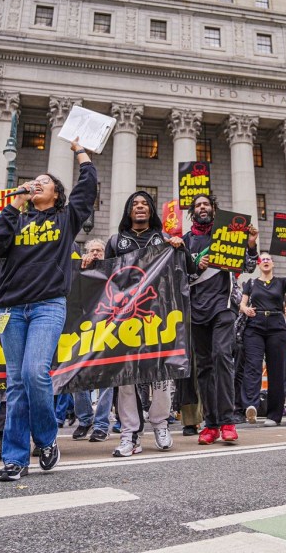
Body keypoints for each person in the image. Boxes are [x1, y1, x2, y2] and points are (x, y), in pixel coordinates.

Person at [0, 140, 96, 482]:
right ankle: (15, 458)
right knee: (15, 384)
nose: (36, 184)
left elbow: (88, 184)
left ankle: (47, 439)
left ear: (57, 194)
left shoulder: (66, 216)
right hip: (12, 308)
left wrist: (80, 151)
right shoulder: (17, 217)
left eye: (44, 182)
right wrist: (14, 204)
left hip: (48, 305)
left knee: (35, 373)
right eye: (32, 181)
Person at [104, 191, 185, 456]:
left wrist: (180, 248)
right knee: (126, 377)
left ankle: (160, 423)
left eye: (144, 204)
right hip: (124, 318)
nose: (140, 207)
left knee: (161, 373)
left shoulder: (163, 240)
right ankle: (130, 433)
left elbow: (188, 271)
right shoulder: (116, 241)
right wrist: (90, 261)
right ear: (128, 211)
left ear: (151, 211)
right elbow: (102, 277)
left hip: (158, 315)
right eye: (135, 204)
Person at [182, 193, 258, 446]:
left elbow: (247, 268)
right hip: (195, 309)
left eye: (206, 204)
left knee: (222, 357)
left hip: (223, 306)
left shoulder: (228, 234)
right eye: (198, 205)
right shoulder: (186, 241)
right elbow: (179, 276)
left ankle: (227, 421)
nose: (202, 208)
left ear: (214, 209)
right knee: (203, 366)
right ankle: (211, 424)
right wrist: (196, 265)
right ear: (193, 211)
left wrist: (250, 244)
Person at [238, 244, 286, 427]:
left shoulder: (281, 282)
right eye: (263, 259)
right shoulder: (250, 283)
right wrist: (246, 309)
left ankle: (274, 415)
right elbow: (241, 304)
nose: (266, 261)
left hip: (277, 326)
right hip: (255, 326)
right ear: (259, 264)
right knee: (253, 366)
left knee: (277, 371)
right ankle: (250, 406)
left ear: (273, 264)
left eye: (268, 259)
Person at [71, 239, 114, 444]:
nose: (96, 253)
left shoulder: (112, 270)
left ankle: (101, 425)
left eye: (99, 250)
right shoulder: (79, 271)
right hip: (83, 329)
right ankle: (85, 419)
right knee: (76, 375)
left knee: (107, 379)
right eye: (92, 251)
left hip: (107, 329)